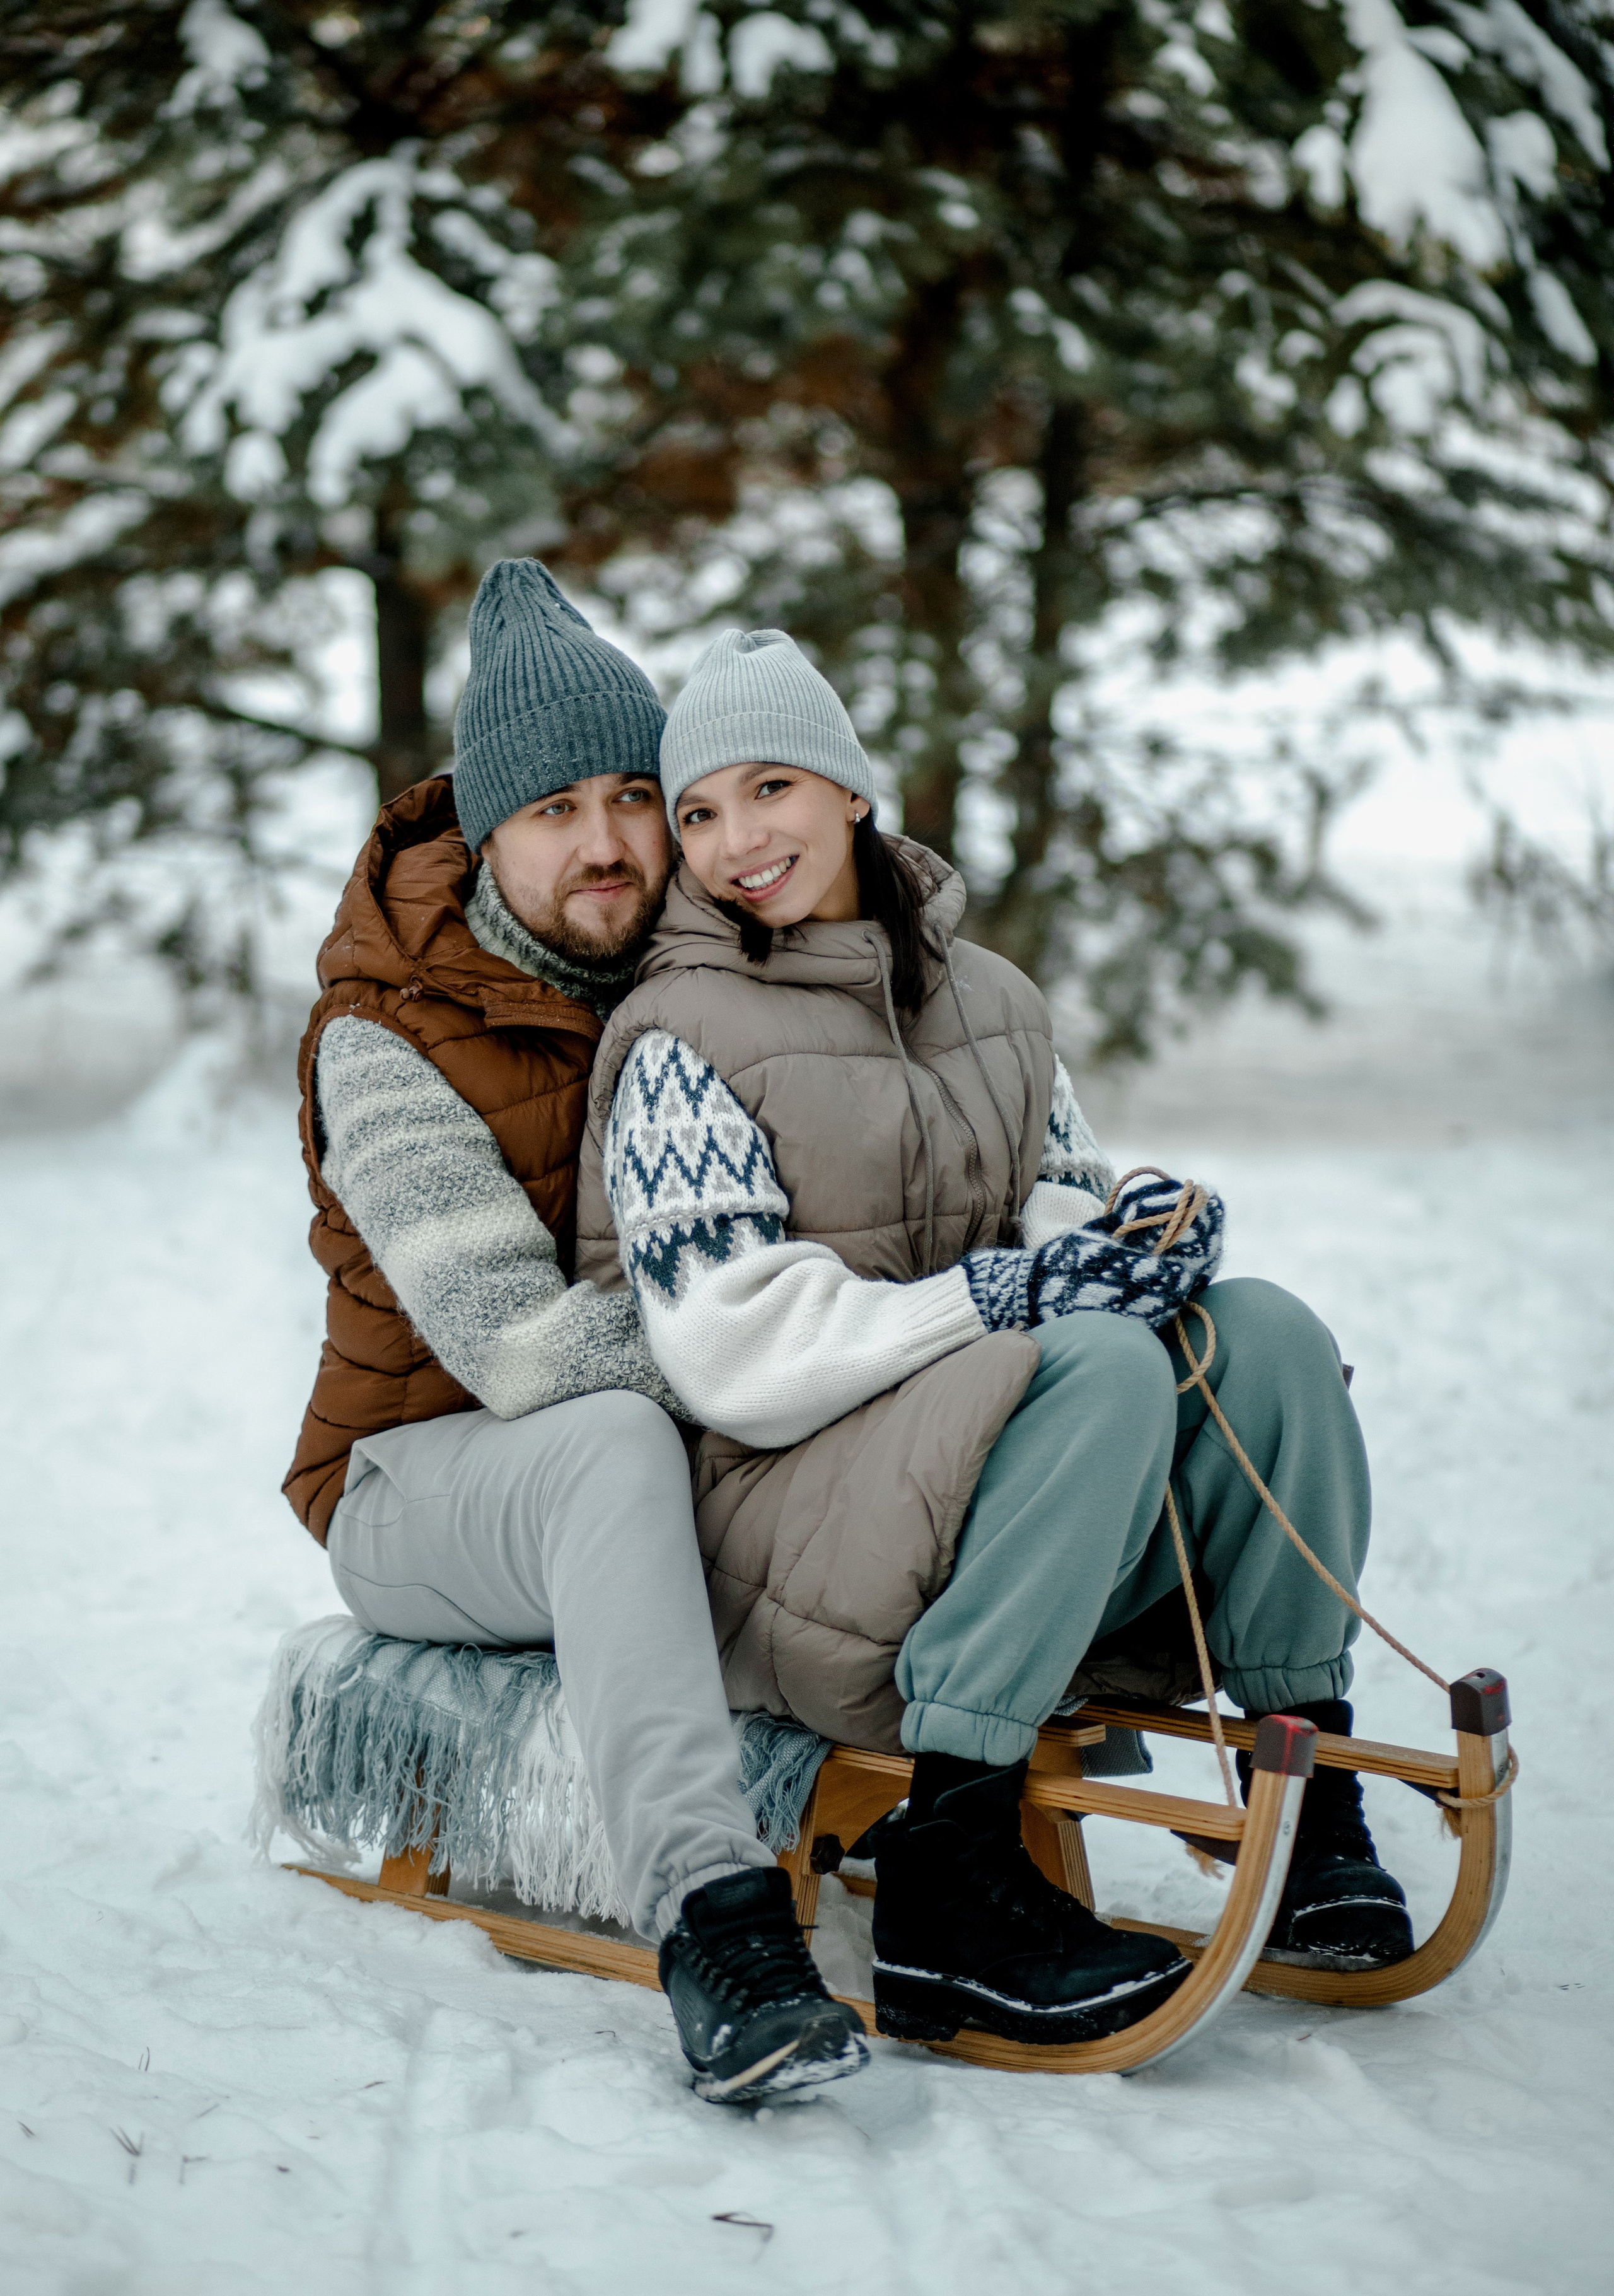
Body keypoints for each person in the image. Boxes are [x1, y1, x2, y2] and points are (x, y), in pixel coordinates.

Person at [574, 626, 1415, 2053]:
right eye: (699, 812)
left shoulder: (995, 1003)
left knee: (1260, 1331)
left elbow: (1045, 1194)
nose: (732, 842)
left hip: (983, 1487)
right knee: (1085, 1359)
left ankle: (1304, 1786)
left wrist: (1125, 1232)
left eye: (769, 787)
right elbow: (730, 1351)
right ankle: (948, 1876)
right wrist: (1013, 1303)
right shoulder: (679, 1038)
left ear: (848, 790)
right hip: (777, 1524)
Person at [284, 563, 868, 2106]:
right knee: (603, 1434)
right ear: (488, 834)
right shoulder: (384, 1035)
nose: (607, 844)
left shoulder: (705, 969)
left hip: (679, 1427)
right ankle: (715, 1926)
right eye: (554, 810)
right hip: (416, 1484)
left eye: (630, 795)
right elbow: (519, 1352)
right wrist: (816, 1330)